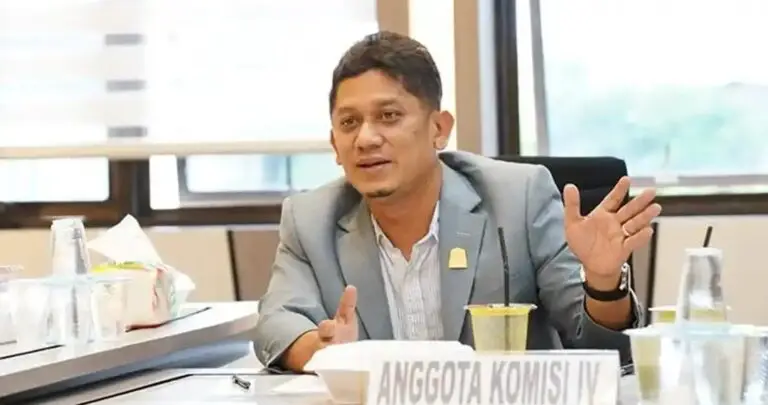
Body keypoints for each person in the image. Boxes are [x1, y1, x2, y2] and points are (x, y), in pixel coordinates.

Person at [252, 31, 660, 372]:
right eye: (349, 122)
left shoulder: (519, 198)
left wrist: (603, 282)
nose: (366, 138)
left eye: (389, 116)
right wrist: (324, 352)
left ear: (439, 129)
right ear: (334, 145)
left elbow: (602, 346)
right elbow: (276, 323)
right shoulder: (310, 219)